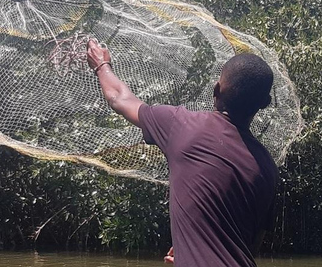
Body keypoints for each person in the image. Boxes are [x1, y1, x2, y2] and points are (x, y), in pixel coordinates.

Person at [86, 39, 278, 267]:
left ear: (216, 90)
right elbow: (251, 244)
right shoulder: (268, 168)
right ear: (264, 103)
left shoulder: (182, 125)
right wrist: (195, 248)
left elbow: (118, 98)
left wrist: (101, 64)